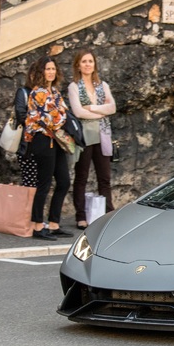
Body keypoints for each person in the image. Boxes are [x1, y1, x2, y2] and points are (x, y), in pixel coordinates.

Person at [24, 56, 74, 240]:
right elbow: (54, 119)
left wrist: (61, 116)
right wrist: (61, 116)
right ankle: (37, 226)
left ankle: (53, 223)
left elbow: (63, 114)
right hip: (43, 140)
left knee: (63, 181)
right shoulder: (38, 93)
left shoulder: (55, 92)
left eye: (53, 68)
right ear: (41, 72)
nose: (51, 72)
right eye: (47, 69)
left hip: (56, 141)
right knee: (43, 184)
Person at [68, 49, 117, 230]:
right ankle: (81, 216)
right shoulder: (74, 86)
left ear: (94, 64)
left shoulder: (102, 85)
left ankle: (109, 214)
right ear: (78, 65)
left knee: (104, 177)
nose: (87, 64)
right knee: (81, 176)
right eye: (84, 61)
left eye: (90, 61)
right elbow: (78, 112)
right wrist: (101, 109)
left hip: (102, 135)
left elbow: (112, 108)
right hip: (84, 137)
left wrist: (93, 108)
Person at [14, 61, 38, 187]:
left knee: (42, 184)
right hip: (28, 145)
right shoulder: (23, 92)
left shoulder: (50, 93)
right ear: (31, 75)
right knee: (29, 183)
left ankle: (35, 207)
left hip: (45, 146)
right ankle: (28, 207)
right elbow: (21, 115)